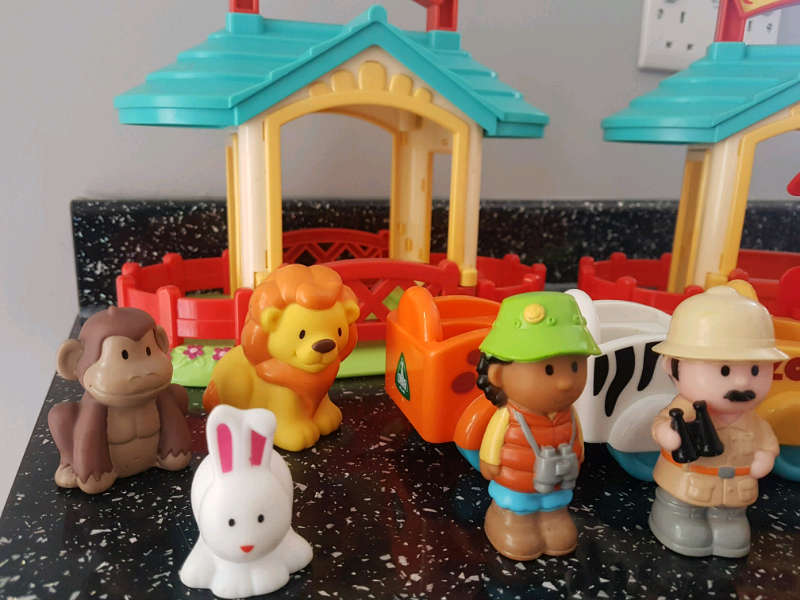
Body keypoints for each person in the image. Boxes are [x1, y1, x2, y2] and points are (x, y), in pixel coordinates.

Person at [649, 284, 787, 558]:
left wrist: (765, 456)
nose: (742, 383)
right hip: (687, 485)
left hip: (735, 491)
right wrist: (668, 435)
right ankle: (676, 515)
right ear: (673, 365)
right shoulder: (684, 410)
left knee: (732, 532)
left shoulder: (752, 419)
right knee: (686, 521)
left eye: (755, 370)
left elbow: (767, 442)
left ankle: (728, 521)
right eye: (724, 370)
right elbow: (660, 426)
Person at [476, 292, 600, 561]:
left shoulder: (569, 414)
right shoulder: (507, 416)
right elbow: (492, 444)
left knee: (555, 506)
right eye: (549, 370)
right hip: (516, 484)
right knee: (518, 505)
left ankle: (553, 519)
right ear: (499, 375)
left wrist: (578, 454)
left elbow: (577, 437)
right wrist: (489, 461)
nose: (566, 382)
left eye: (575, 366)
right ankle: (510, 519)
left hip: (558, 481)